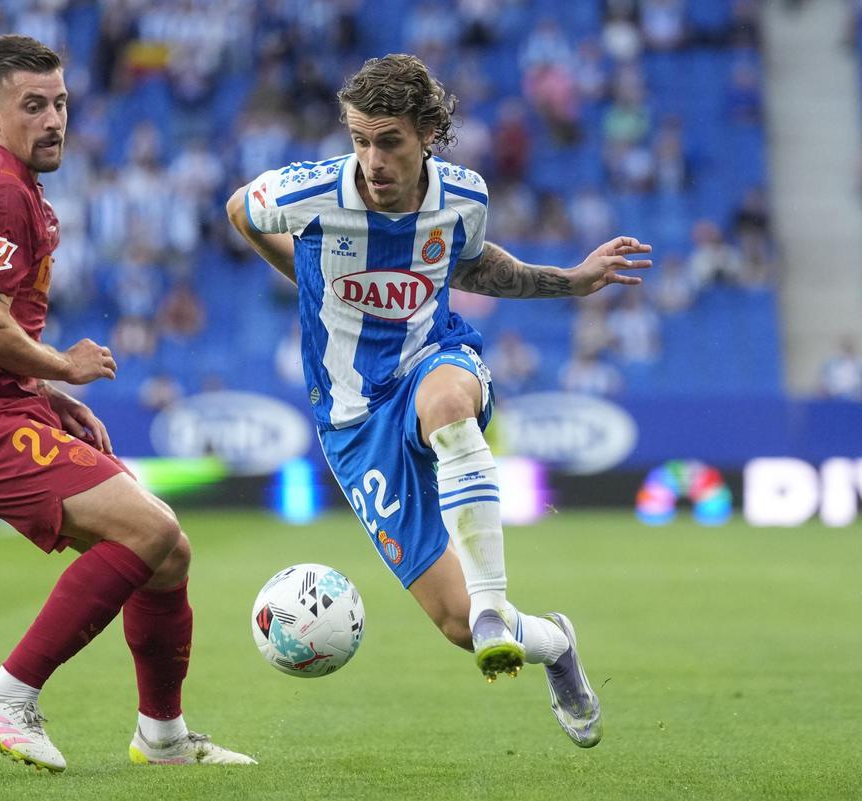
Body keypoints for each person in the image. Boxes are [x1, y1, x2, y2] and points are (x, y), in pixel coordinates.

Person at [227, 53, 652, 749]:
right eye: (360, 140)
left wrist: (572, 281)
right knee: (456, 626)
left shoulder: (464, 196)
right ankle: (554, 643)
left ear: (428, 132)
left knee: (449, 402)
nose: (372, 160)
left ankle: (494, 608)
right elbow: (239, 209)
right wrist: (299, 266)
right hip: (353, 421)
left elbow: (479, 262)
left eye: (388, 140)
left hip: (434, 359)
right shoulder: (309, 193)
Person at [0, 35, 253, 773]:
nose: (54, 119)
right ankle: (7, 692)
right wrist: (66, 366)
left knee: (167, 553)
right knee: (150, 530)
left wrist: (44, 393)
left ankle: (163, 737)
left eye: (59, 102)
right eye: (33, 106)